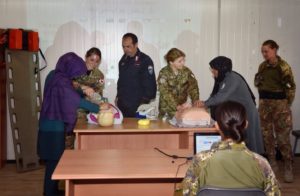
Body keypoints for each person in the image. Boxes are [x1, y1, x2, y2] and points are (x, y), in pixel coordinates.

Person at [38, 52, 109, 196]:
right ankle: (49, 193)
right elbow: (75, 100)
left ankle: (51, 190)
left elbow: (71, 88)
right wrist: (98, 108)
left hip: (47, 123)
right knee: (54, 161)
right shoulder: (62, 82)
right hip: (53, 126)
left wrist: (82, 88)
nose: (75, 76)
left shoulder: (54, 75)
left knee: (54, 161)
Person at [182, 101, 280, 196]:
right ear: (246, 124)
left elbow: (187, 193)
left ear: (216, 126)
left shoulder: (200, 161)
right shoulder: (262, 164)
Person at [198, 56, 264, 154]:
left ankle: (254, 165)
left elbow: (221, 97)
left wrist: (204, 104)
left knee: (251, 143)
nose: (213, 73)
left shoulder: (232, 79)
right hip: (238, 113)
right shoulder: (224, 78)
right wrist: (205, 103)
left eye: (214, 70)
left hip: (247, 113)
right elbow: (216, 95)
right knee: (241, 141)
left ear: (221, 69)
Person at [254, 40, 296, 182]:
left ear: (275, 50)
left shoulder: (283, 67)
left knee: (283, 137)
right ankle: (271, 162)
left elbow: (290, 88)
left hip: (280, 104)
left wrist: (285, 104)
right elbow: (258, 81)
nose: (264, 54)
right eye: (262, 52)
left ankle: (288, 165)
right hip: (265, 104)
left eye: (266, 51)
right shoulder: (263, 66)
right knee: (267, 135)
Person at [116, 33, 157, 117]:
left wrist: (143, 103)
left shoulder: (145, 60)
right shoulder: (123, 60)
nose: (125, 49)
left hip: (137, 105)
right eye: (123, 47)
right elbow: (121, 81)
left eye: (128, 46)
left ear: (136, 45)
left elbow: (150, 83)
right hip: (123, 105)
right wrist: (118, 97)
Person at [157, 48, 200, 119]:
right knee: (166, 128)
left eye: (183, 60)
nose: (183, 63)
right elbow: (165, 93)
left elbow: (193, 87)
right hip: (167, 109)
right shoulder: (164, 73)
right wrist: (176, 106)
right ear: (171, 62)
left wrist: (195, 100)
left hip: (182, 108)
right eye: (179, 61)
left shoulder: (186, 71)